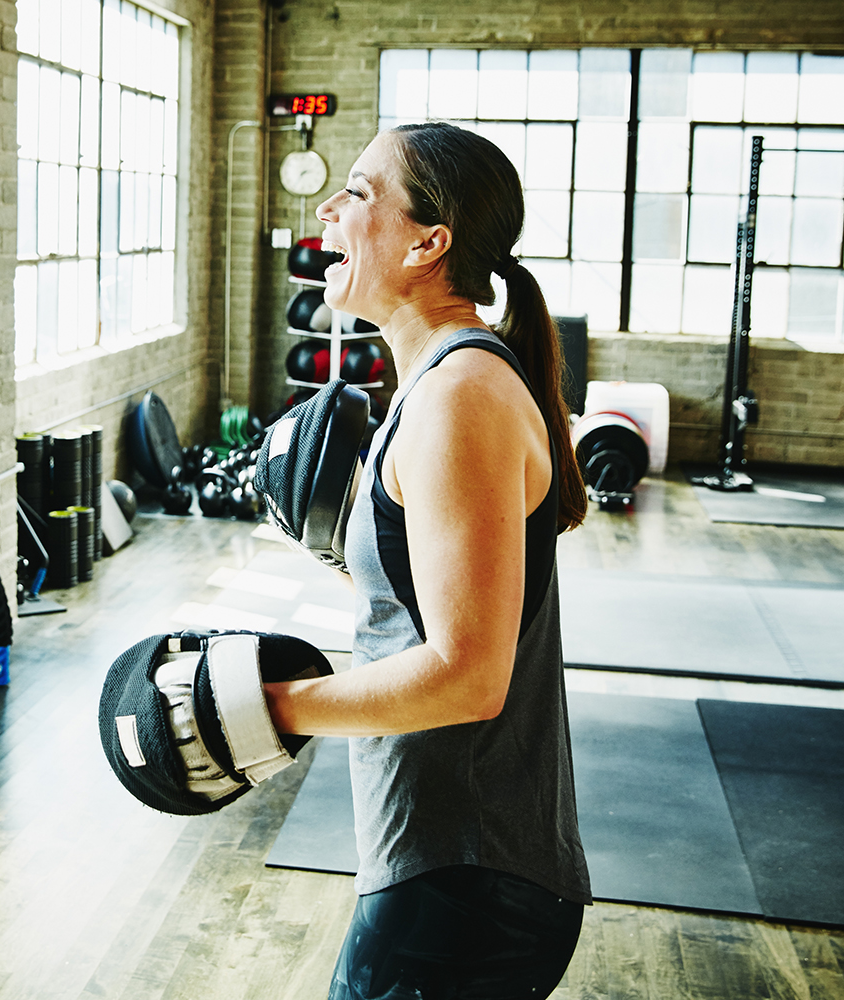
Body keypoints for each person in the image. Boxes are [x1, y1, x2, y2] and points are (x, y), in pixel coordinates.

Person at [262, 121, 592, 1000]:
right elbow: (422, 606)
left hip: (470, 883)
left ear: (427, 242)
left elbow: (468, 676)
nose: (329, 206)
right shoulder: (439, 385)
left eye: (360, 191)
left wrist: (271, 710)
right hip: (444, 863)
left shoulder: (461, 396)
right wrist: (344, 543)